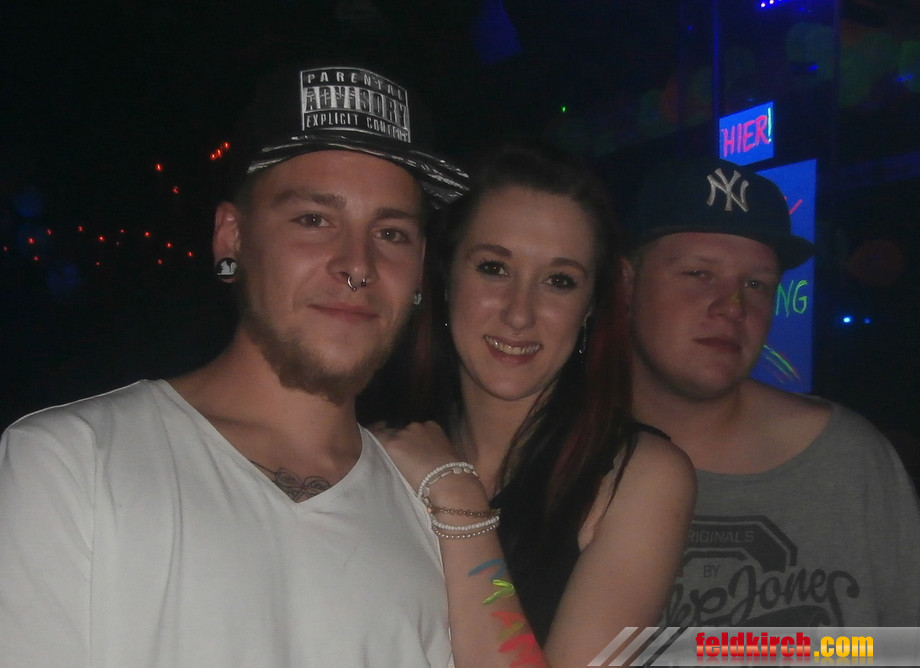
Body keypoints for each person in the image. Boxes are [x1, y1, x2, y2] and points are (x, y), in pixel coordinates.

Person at [0, 63, 470, 666]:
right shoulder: (71, 463)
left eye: (392, 233)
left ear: (420, 268)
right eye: (314, 220)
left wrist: (465, 510)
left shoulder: (436, 516)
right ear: (232, 237)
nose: (358, 264)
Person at [374, 142, 696, 667]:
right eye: (494, 268)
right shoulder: (377, 444)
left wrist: (460, 505)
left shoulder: (640, 478)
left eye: (559, 281)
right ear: (445, 273)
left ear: (591, 306)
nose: (520, 313)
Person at [625, 157, 920, 626]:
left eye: (756, 283)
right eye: (699, 274)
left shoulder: (850, 461)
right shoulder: (555, 454)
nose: (733, 306)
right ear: (625, 284)